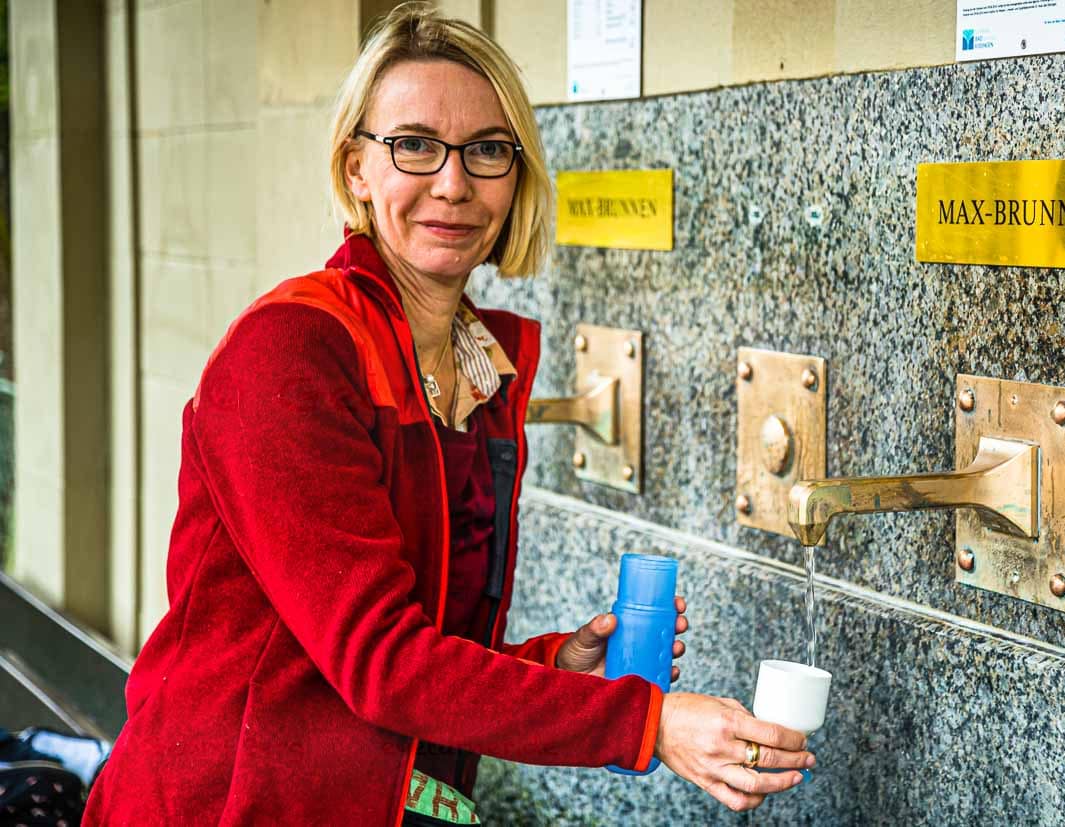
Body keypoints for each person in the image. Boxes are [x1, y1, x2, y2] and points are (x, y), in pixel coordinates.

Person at [82, 4, 814, 824]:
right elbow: (382, 662)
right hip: (227, 803)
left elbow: (423, 640)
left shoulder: (475, 368)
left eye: (487, 150)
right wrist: (646, 722)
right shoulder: (291, 349)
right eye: (415, 144)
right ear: (356, 168)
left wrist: (556, 665)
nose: (454, 184)